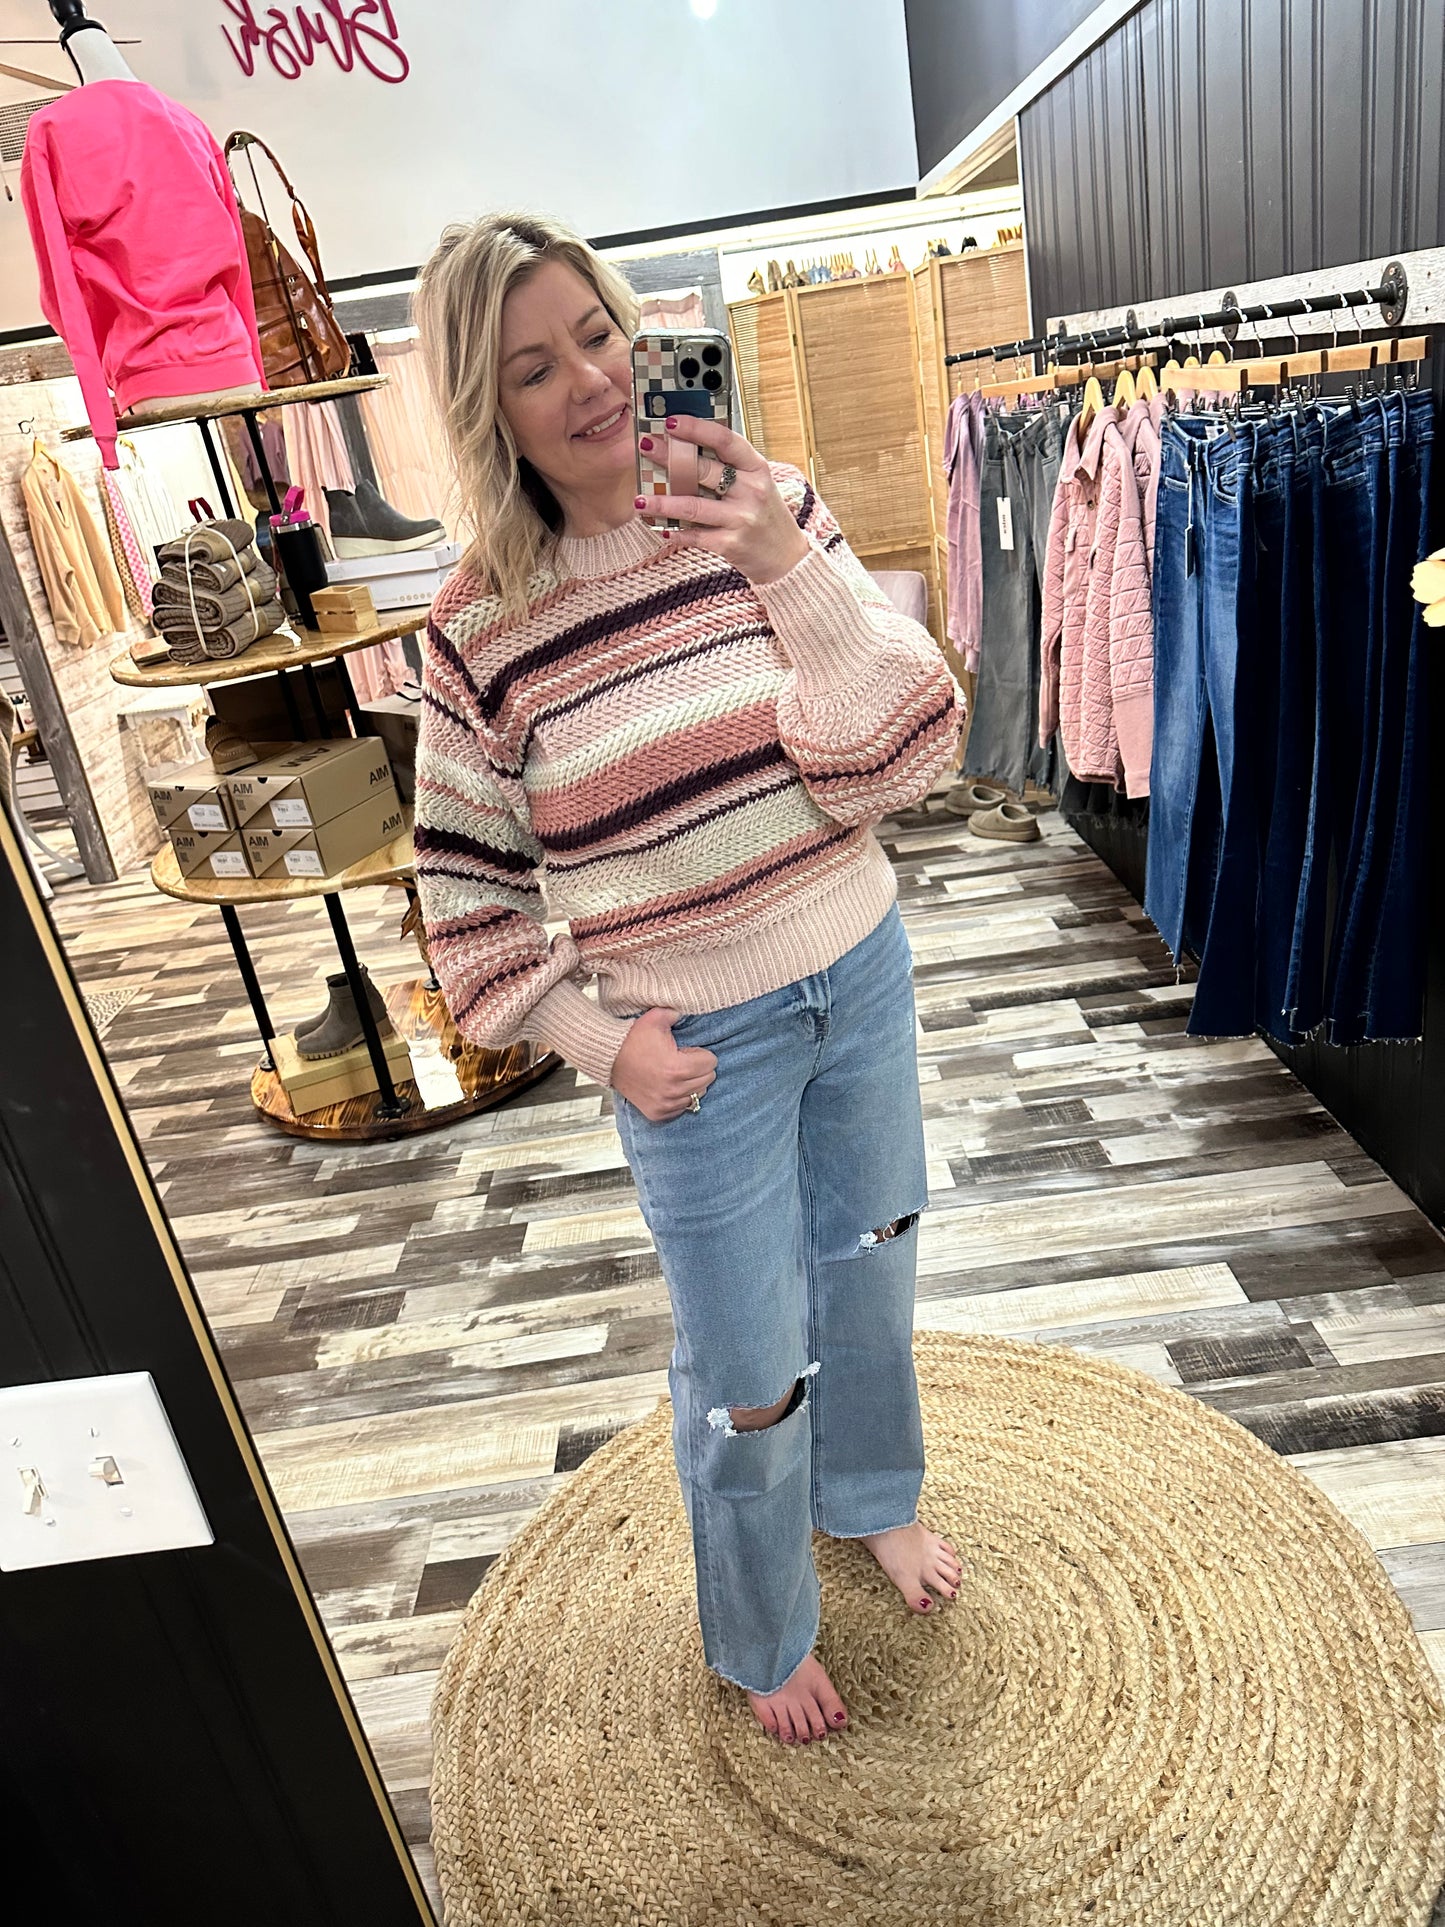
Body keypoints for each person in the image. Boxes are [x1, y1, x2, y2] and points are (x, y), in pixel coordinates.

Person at [412, 212, 965, 1746]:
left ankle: (871, 1496)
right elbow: (461, 896)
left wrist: (780, 556)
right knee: (744, 1365)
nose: (589, 381)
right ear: (487, 409)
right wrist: (599, 1045)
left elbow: (904, 752)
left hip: (856, 975)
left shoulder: (761, 506)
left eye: (596, 333)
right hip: (694, 1049)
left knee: (873, 1259)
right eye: (533, 368)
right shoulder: (479, 625)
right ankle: (760, 1627)